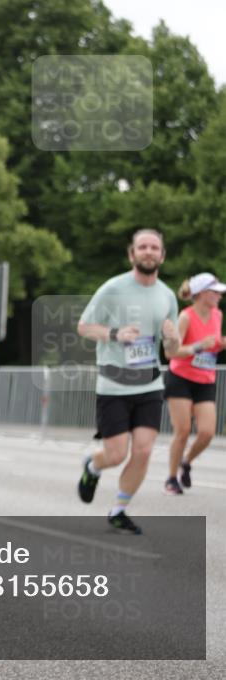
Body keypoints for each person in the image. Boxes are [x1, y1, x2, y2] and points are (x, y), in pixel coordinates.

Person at [76, 228, 180, 535]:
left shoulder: (167, 296)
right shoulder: (113, 289)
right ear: (132, 254)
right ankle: (93, 466)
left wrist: (172, 340)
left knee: (144, 450)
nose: (148, 251)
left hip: (150, 383)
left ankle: (119, 509)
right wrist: (114, 334)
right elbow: (84, 327)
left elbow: (172, 351)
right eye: (142, 247)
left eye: (154, 247)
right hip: (114, 383)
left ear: (162, 255)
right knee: (116, 454)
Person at [163, 272, 226, 494]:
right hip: (180, 378)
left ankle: (186, 462)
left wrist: (218, 345)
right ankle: (171, 478)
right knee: (183, 431)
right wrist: (198, 346)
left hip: (205, 379)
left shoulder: (217, 315)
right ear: (201, 294)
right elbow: (172, 352)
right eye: (215, 291)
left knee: (207, 432)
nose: (219, 295)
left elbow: (213, 344)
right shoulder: (186, 317)